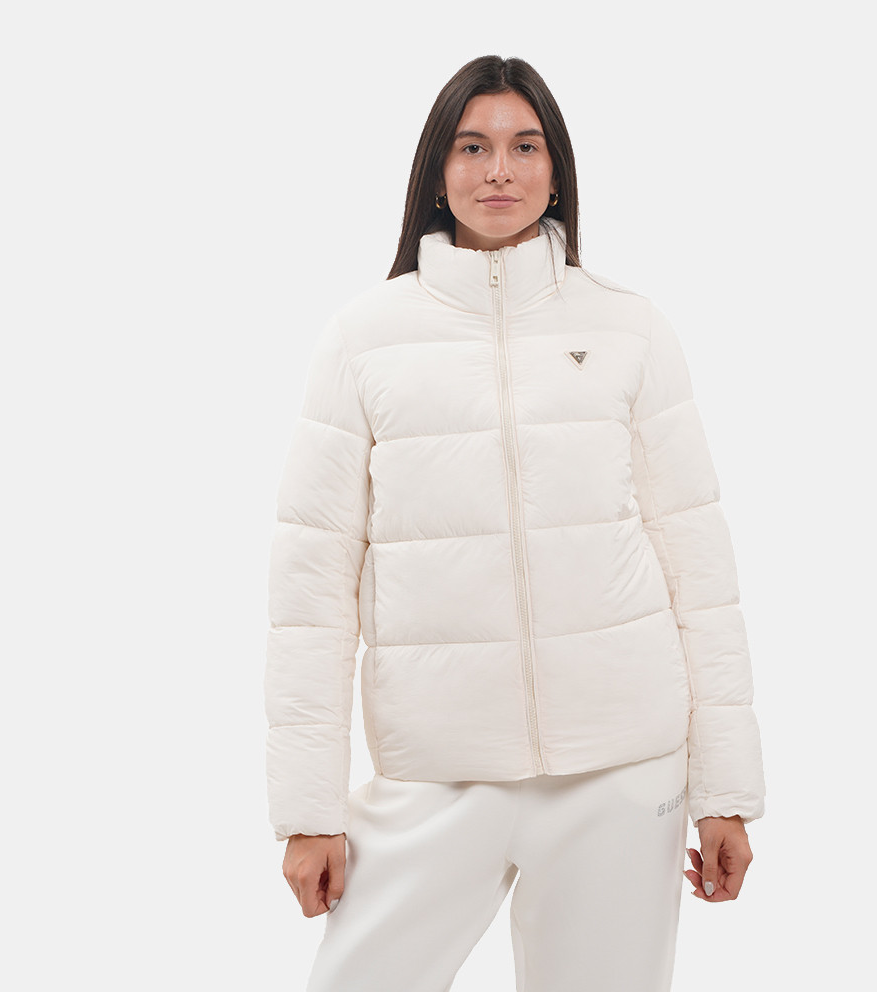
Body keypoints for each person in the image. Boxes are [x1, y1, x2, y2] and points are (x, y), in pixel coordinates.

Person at [264, 54, 766, 992]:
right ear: (437, 171)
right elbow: (311, 591)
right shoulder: (364, 339)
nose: (500, 169)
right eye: (473, 147)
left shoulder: (629, 329)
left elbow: (698, 564)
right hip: (436, 773)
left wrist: (726, 791)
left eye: (525, 146)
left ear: (556, 169)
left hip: (623, 769)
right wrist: (308, 809)